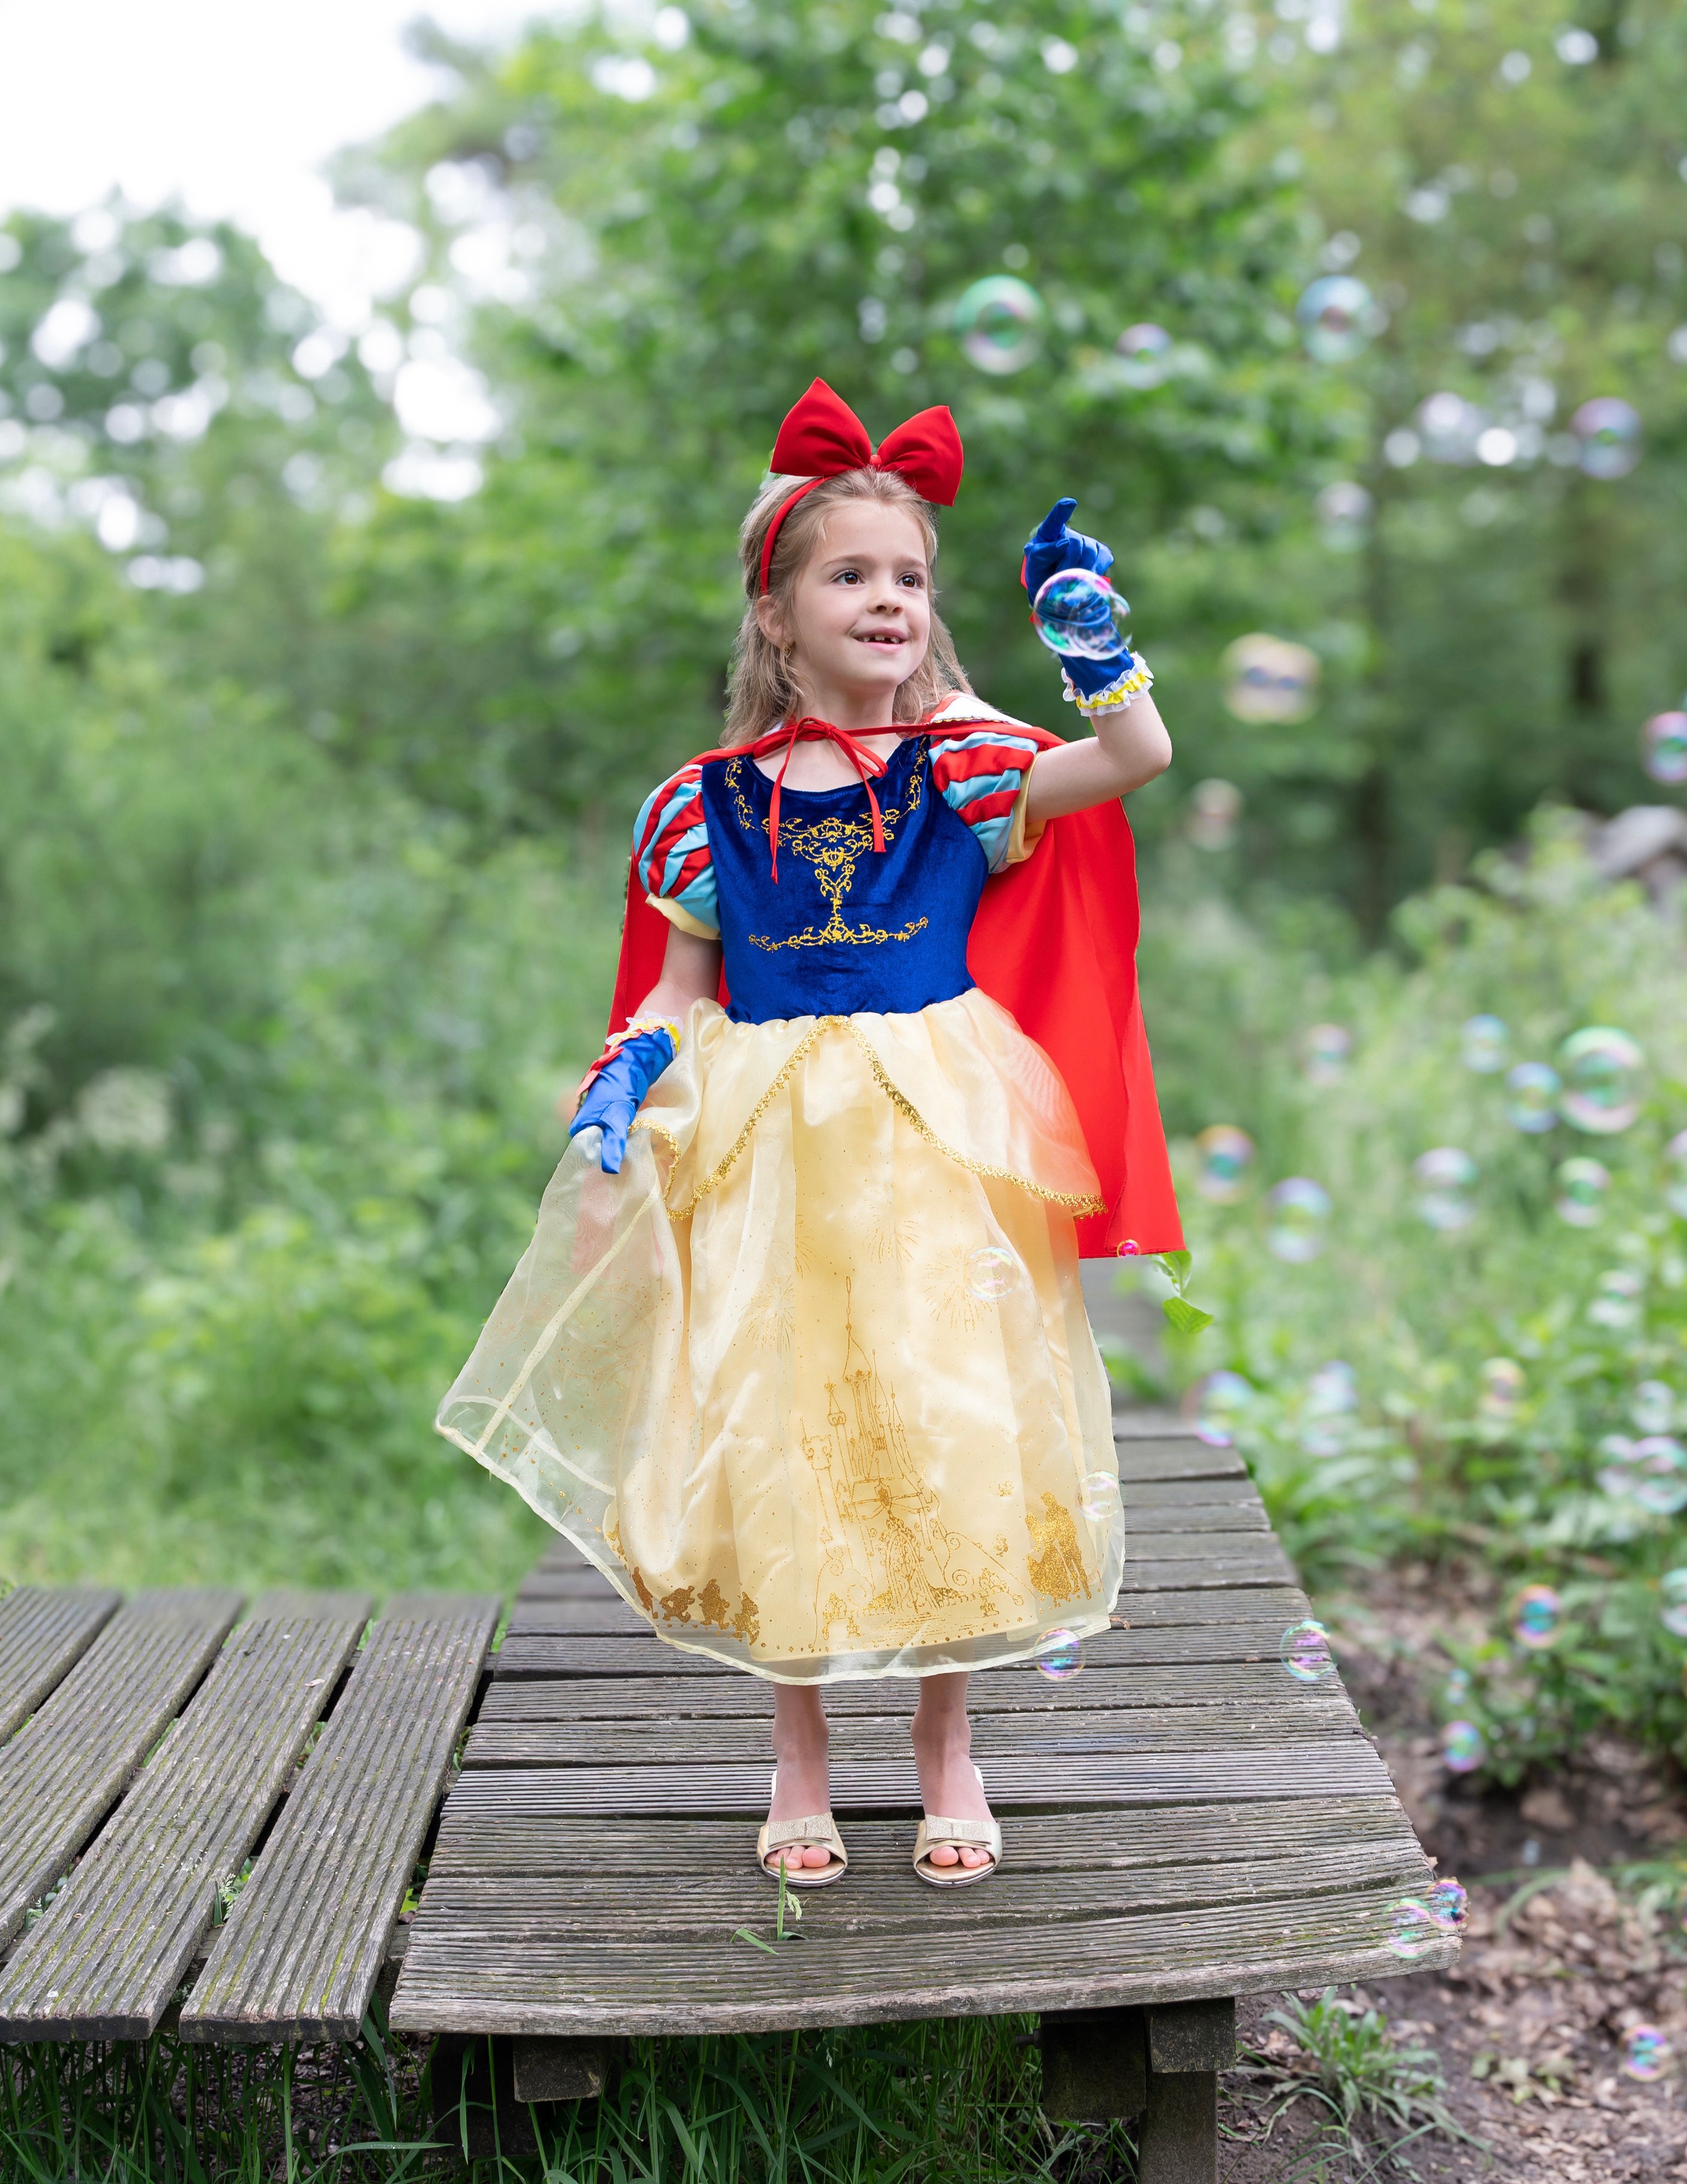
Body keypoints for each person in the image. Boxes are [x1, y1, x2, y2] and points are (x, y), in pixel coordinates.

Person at [437, 378, 1179, 1889]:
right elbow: (677, 988)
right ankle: (796, 1762)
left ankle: (947, 1747)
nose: (888, 597)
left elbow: (1132, 764)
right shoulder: (700, 808)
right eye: (850, 573)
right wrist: (625, 1073)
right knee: (780, 1422)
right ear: (777, 617)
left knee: (944, 1415)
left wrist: (1097, 652)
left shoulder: (965, 773)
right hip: (769, 1142)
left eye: (909, 576)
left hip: (932, 1126)